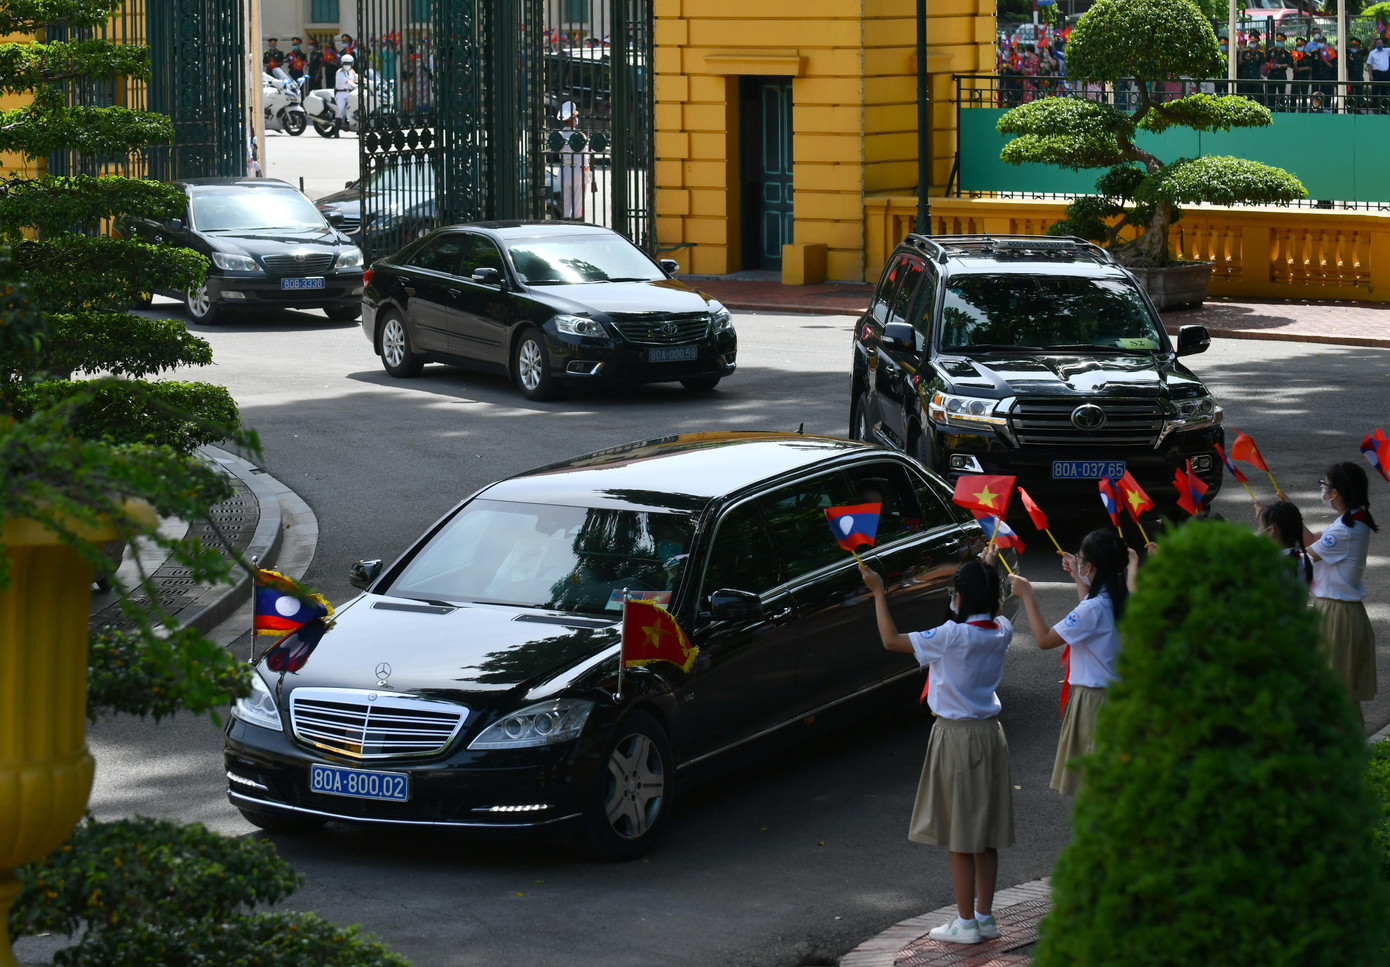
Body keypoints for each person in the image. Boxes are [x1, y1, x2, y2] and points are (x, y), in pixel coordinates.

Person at [859, 553, 1014, 946]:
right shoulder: (1004, 630)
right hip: (990, 735)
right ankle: (984, 915)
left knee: (960, 835)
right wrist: (986, 568)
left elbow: (890, 640)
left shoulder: (950, 636)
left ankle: (964, 923)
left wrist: (879, 592)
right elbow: (990, 608)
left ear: (960, 596)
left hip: (955, 736)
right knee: (986, 832)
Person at [1008, 528, 1126, 796]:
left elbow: (1044, 639)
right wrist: (1078, 576)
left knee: (1094, 787)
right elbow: (1090, 608)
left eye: (1082, 560)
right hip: (1117, 697)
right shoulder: (1119, 598)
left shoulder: (1092, 609)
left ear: (1091, 566)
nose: (1078, 563)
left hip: (1093, 701)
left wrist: (1028, 594)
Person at [1289, 463, 1379, 717]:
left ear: (1336, 493)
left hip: (1337, 615)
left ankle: (1345, 752)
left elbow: (1302, 559)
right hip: (1337, 611)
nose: (1323, 491)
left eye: (1324, 486)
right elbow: (1312, 541)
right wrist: (1292, 518)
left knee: (1335, 695)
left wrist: (1274, 536)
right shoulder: (1350, 520)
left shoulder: (1344, 530)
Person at [1257, 500, 1313, 585]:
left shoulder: (1268, 567)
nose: (1259, 532)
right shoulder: (1305, 560)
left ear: (1271, 531)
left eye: (1260, 529)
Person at [557, 100, 592, 220]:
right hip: (578, 171)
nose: (577, 119)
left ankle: (566, 223)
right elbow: (585, 158)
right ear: (572, 119)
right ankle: (578, 223)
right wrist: (588, 174)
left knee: (566, 206)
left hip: (564, 170)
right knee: (578, 207)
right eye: (576, 117)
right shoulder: (580, 135)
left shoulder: (559, 135)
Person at [333, 53, 356, 137]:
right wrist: (353, 85)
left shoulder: (352, 72)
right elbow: (345, 81)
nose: (347, 65)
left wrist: (365, 80)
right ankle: (336, 131)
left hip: (350, 93)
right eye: (345, 63)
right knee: (341, 109)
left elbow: (357, 77)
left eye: (348, 64)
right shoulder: (339, 72)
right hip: (341, 93)